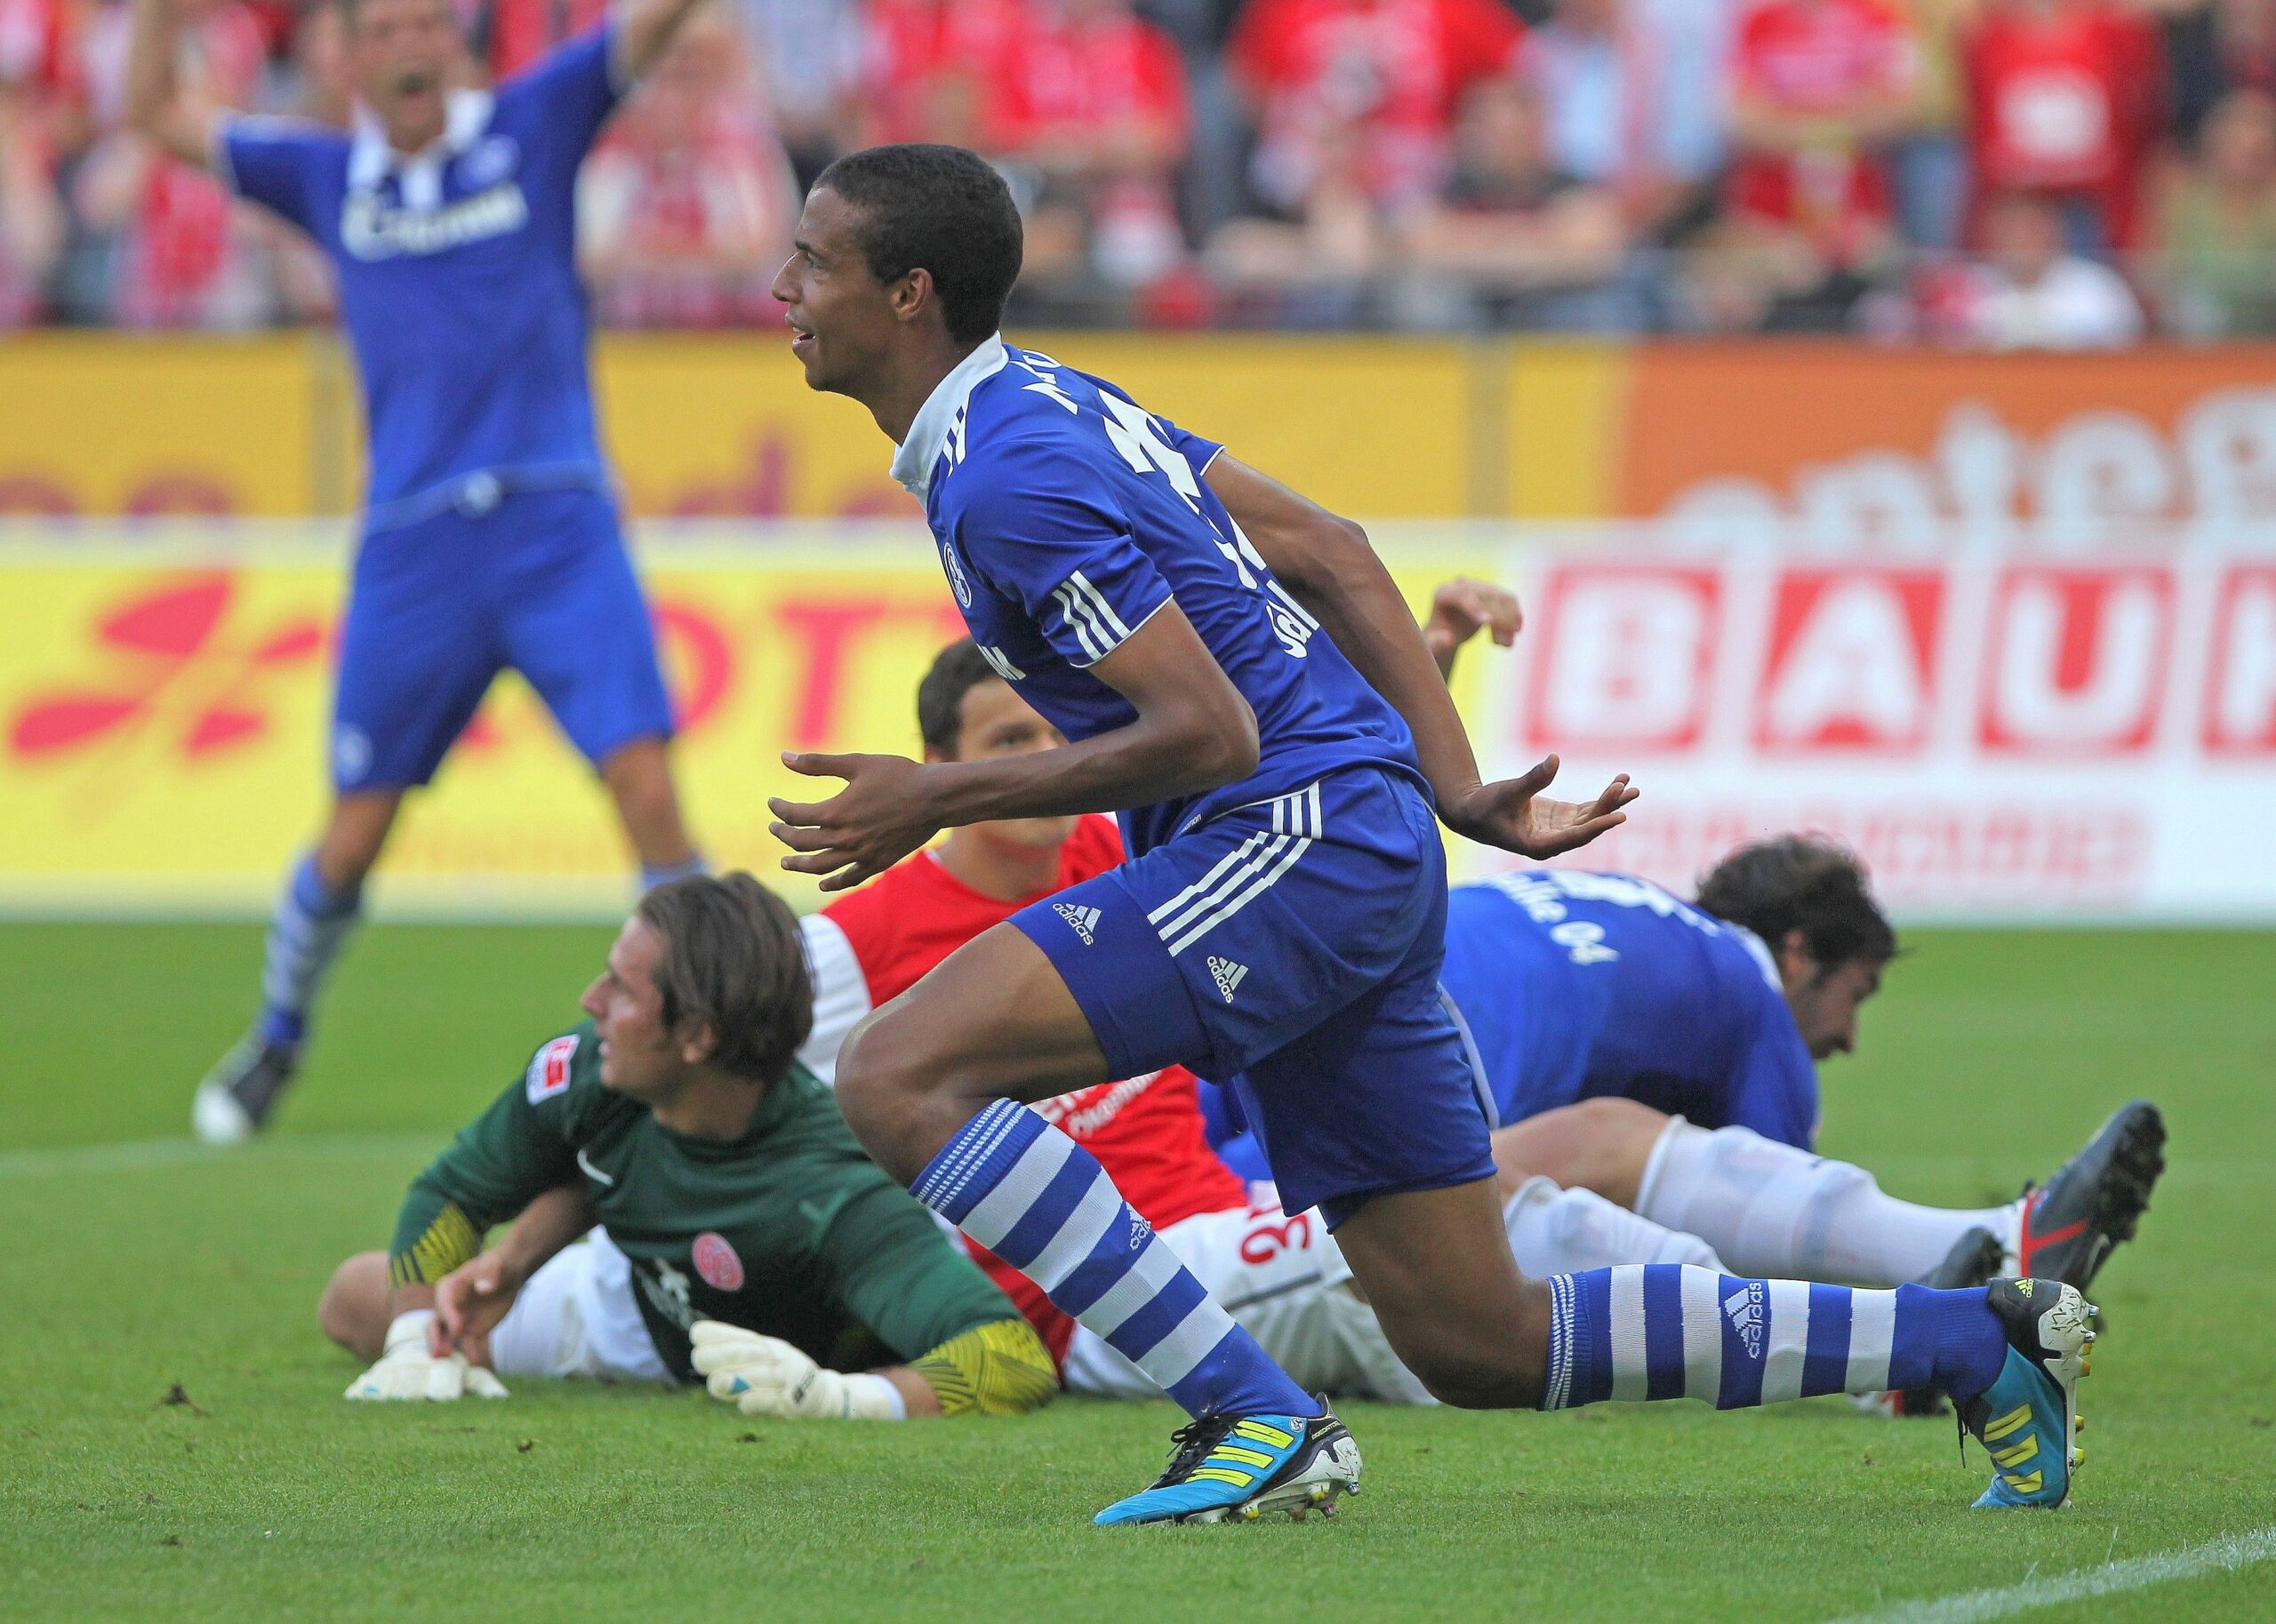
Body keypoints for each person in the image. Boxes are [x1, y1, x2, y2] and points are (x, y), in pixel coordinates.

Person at [765, 141, 2104, 1524]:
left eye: (813, 259)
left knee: (896, 1072)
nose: (781, 284)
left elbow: (1211, 731)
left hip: (1284, 838)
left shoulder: (1006, 477)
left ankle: (1250, 1411)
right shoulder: (1049, 405)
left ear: (911, 291)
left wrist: (939, 793)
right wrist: (1455, 786)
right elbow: (1335, 546)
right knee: (1478, 1340)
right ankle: (1971, 1339)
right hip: (1352, 838)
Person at [798, 628, 1725, 1410]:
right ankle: (1815, 1344)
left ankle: (1793, 1316)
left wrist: (1426, 659)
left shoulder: (1114, 845)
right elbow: (792, 1123)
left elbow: (1314, 786)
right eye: (1008, 743)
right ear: (938, 772)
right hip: (1100, 1311)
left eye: (1054, 735)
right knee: (1478, 1249)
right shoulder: (855, 942)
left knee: (1575, 1155)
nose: (1042, 762)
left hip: (1219, 1219)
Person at [124, 0, 710, 1143]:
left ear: (458, 41)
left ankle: (721, 1036)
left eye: (429, 24)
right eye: (384, 28)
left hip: (554, 522)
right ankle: (277, 1034)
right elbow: (151, 113)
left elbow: (649, 29)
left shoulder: (534, 121)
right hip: (414, 546)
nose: (412, 45)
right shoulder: (324, 175)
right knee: (355, 829)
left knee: (644, 783)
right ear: (345, 53)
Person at [318, 872, 1059, 1423]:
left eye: (623, 990)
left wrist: (838, 1396)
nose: (591, 1001)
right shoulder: (591, 1066)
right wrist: (424, 1336)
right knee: (357, 1297)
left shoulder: (836, 1191)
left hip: (754, 1356)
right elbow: (454, 1193)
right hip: (630, 1305)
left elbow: (1009, 1356)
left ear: (699, 1037)